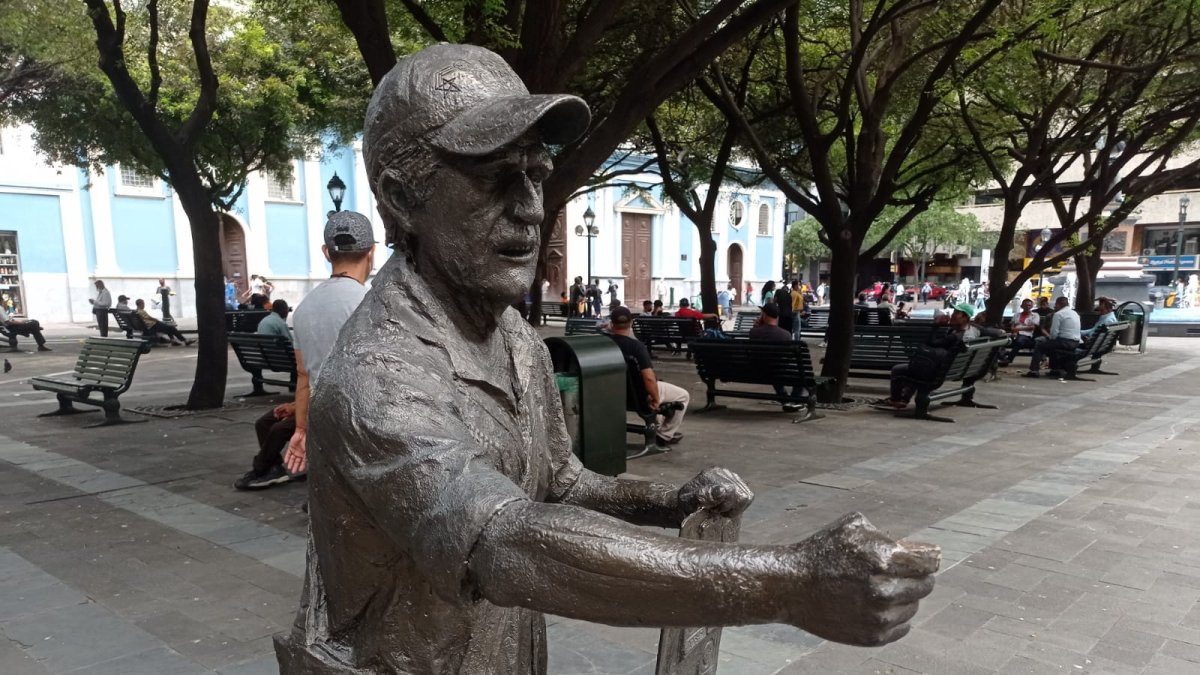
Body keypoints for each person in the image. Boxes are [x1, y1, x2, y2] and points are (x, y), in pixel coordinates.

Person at [274, 44, 937, 675]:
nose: (532, 210)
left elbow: (560, 485)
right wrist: (788, 583)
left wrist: (664, 500)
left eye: (536, 174)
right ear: (400, 198)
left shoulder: (515, 339)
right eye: (494, 178)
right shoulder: (375, 377)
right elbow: (503, 543)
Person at [280, 211, 374, 479]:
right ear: (371, 251)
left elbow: (303, 376)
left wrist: (301, 429)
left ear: (326, 251)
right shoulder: (372, 304)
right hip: (368, 424)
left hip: (325, 421)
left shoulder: (303, 309)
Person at [607, 306, 690, 443]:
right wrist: (656, 398)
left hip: (614, 393)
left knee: (657, 389)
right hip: (640, 396)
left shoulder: (605, 343)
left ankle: (657, 426)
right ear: (631, 323)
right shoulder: (636, 347)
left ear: (611, 323)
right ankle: (664, 434)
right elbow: (649, 378)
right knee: (683, 395)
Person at [873, 303, 979, 410]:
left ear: (965, 317)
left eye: (957, 313)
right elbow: (992, 332)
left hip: (938, 372)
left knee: (899, 369)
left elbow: (930, 343)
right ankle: (903, 399)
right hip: (954, 369)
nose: (952, 315)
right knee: (919, 366)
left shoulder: (954, 336)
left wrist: (936, 325)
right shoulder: (972, 330)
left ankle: (895, 399)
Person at [748, 302, 807, 412]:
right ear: (777, 317)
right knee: (800, 374)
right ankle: (794, 401)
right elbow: (789, 358)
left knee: (773, 369)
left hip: (757, 372)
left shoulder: (754, 332)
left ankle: (785, 400)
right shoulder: (786, 334)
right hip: (778, 372)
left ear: (764, 315)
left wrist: (757, 326)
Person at [234, 402, 301, 490]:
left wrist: (297, 409)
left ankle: (260, 469)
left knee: (279, 429)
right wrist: (293, 405)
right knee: (263, 423)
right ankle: (274, 467)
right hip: (304, 405)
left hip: (315, 410)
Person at [1023, 296, 1080, 378]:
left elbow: (1053, 334)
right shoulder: (1075, 313)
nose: (1055, 307)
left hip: (1064, 342)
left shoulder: (1058, 314)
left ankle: (1034, 370)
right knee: (1050, 344)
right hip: (1075, 342)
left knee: (1040, 345)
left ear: (1059, 304)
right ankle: (1055, 369)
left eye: (1056, 305)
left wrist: (1048, 339)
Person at [999, 298, 1039, 365]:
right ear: (1022, 306)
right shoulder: (1017, 315)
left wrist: (1017, 329)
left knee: (1019, 341)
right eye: (1025, 305)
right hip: (1014, 334)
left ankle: (1008, 359)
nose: (1027, 307)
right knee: (1000, 340)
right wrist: (1014, 331)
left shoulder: (1035, 315)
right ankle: (1002, 357)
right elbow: (1012, 326)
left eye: (1029, 305)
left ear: (1031, 306)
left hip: (1026, 335)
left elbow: (1032, 327)